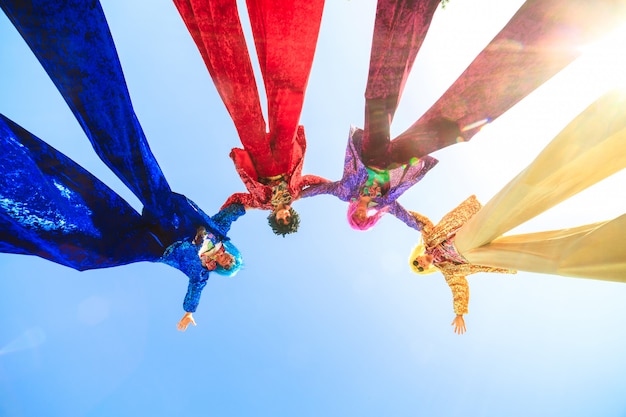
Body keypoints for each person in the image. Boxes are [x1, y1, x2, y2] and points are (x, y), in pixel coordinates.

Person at [408, 89, 626, 334]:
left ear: (417, 255)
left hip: (466, 236)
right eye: (421, 267)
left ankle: (612, 128)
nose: (422, 262)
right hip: (478, 256)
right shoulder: (449, 271)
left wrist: (391, 209)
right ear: (427, 269)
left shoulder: (429, 240)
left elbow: (420, 222)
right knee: (551, 260)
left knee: (522, 195)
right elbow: (459, 288)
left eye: (416, 261)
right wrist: (459, 313)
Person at [0, 114, 245, 331]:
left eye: (228, 264)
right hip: (170, 217)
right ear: (232, 254)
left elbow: (194, 290)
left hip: (155, 245)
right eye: (232, 259)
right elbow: (231, 212)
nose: (227, 260)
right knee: (145, 176)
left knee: (101, 250)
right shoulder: (219, 233)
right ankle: (111, 128)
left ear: (222, 268)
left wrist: (189, 311)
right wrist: (252, 203)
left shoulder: (202, 272)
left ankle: (29, 214)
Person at [173, 0, 329, 236]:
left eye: (281, 219)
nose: (284, 214)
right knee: (287, 103)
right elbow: (316, 182)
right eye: (289, 217)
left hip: (262, 161)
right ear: (292, 214)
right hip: (286, 157)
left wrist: (216, 226)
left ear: (274, 219)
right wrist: (343, 189)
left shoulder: (260, 203)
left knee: (244, 110)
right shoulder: (296, 193)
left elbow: (236, 201)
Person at [301, 0, 443, 231]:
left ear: (351, 212)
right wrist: (423, 229)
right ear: (370, 217)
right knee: (437, 133)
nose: (360, 213)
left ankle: (398, 16)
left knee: (378, 99)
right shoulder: (385, 202)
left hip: (371, 153)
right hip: (394, 160)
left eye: (355, 216)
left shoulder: (345, 192)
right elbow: (404, 216)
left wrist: (296, 195)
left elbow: (322, 189)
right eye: (363, 218)